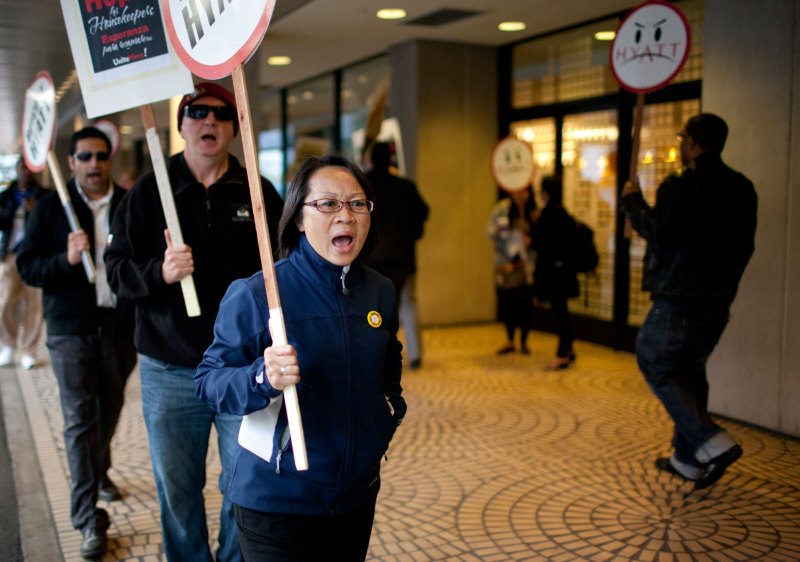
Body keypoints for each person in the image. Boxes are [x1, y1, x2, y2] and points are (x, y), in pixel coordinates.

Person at [105, 81, 284, 562]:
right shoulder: (147, 192)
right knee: (177, 489)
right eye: (198, 113)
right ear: (181, 126)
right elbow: (116, 269)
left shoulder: (257, 192)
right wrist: (159, 272)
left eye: (221, 115)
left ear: (234, 127)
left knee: (243, 482)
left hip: (241, 369)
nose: (210, 122)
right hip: (169, 369)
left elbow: (281, 268)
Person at [195, 154, 407, 561]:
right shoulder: (259, 294)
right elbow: (208, 381)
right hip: (276, 501)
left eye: (357, 203)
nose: (345, 215)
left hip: (354, 497)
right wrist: (263, 377)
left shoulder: (380, 291)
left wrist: (387, 412)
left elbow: (389, 369)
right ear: (297, 218)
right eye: (327, 204)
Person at [16, 127, 136, 559]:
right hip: (70, 330)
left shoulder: (126, 205)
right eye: (84, 157)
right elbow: (28, 266)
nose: (93, 164)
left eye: (100, 156)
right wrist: (65, 261)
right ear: (71, 163)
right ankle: (86, 517)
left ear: (110, 160)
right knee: (79, 420)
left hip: (118, 328)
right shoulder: (52, 209)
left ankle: (98, 469)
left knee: (109, 410)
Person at [621, 113, 757, 490]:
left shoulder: (682, 186)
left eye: (683, 138)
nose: (679, 145)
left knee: (655, 360)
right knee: (691, 373)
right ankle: (687, 460)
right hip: (717, 302)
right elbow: (745, 248)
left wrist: (633, 204)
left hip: (678, 299)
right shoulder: (742, 188)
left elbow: (660, 232)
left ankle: (712, 442)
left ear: (695, 143)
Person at [364, 142, 429, 369]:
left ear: (370, 158)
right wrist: (413, 234)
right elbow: (423, 213)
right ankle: (416, 355)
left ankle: (378, 355)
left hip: (372, 258)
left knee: (374, 307)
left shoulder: (364, 184)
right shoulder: (406, 186)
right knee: (408, 304)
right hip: (403, 256)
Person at [0, 157, 47, 369]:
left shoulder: (44, 196)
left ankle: (29, 349)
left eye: (30, 168)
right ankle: (8, 344)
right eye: (23, 168)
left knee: (34, 305)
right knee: (5, 301)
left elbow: (48, 226)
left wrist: (34, 212)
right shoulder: (6, 196)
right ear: (17, 169)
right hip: (9, 256)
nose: (27, 172)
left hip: (35, 257)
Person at [531, 176, 579, 370]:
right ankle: (567, 349)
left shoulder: (551, 213)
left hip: (556, 272)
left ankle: (562, 354)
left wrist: (535, 226)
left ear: (546, 192)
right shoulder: (560, 212)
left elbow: (544, 242)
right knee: (562, 311)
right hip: (563, 271)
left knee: (560, 312)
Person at [487, 186, 536, 354]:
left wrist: (530, 234)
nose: (521, 195)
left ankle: (524, 340)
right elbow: (491, 232)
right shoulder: (502, 209)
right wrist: (502, 230)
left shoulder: (533, 211)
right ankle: (510, 339)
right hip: (506, 264)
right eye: (518, 191)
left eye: (525, 191)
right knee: (508, 302)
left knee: (525, 304)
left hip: (527, 266)